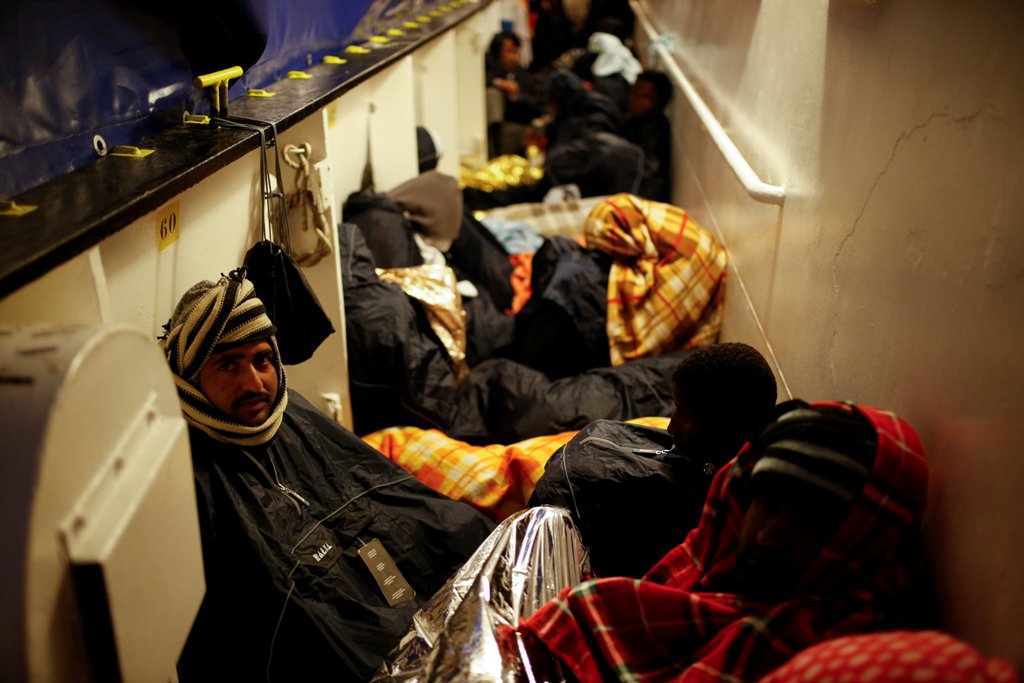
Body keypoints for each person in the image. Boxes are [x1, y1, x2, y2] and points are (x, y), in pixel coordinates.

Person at [162, 270, 496, 681]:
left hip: (383, 575)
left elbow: (370, 499)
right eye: (228, 365)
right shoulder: (188, 473)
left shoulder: (288, 414)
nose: (254, 383)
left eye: (262, 359)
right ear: (191, 378)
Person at [514, 399, 930, 682]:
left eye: (806, 524)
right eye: (766, 504)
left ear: (859, 540)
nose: (768, 536)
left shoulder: (822, 656)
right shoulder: (707, 563)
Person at [528, 342, 778, 577]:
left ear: (728, 426)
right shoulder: (710, 459)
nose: (670, 427)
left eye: (684, 416)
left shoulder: (702, 515)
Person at [485, 30, 546, 157]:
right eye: (509, 51)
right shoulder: (490, 71)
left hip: (524, 122)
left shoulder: (523, 75)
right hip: (501, 128)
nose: (513, 56)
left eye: (515, 51)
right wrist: (500, 83)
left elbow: (536, 103)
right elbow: (482, 79)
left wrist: (516, 98)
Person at [626, 70, 673, 202]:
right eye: (634, 93)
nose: (635, 100)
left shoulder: (655, 127)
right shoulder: (634, 120)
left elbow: (648, 171)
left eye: (644, 97)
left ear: (658, 101)